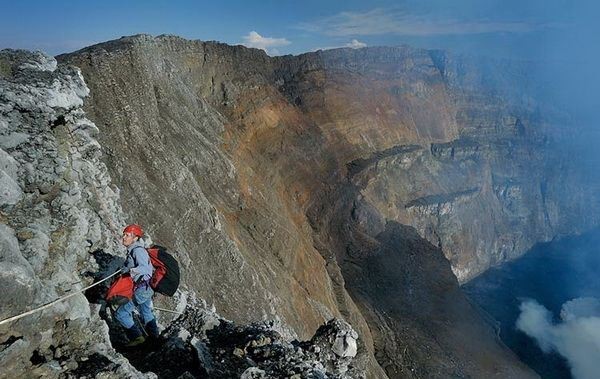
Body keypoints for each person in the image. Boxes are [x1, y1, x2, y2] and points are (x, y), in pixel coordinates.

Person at [115, 224, 159, 346]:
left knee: (121, 313)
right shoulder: (135, 250)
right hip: (146, 287)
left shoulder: (138, 251)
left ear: (135, 238)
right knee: (146, 312)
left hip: (142, 289)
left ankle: (137, 338)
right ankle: (155, 339)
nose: (124, 237)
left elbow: (144, 268)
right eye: (124, 234)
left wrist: (131, 271)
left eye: (127, 235)